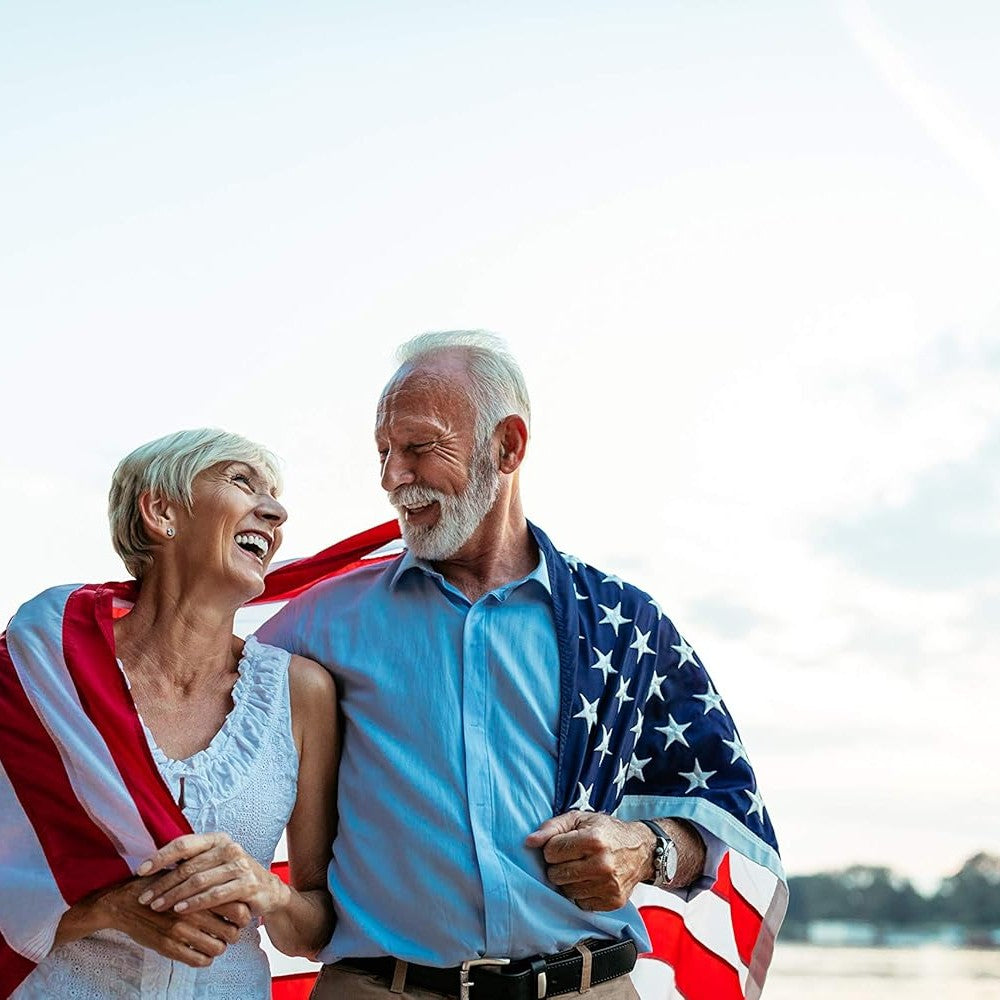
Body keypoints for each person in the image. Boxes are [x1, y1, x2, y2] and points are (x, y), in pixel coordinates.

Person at [256, 331, 785, 1000]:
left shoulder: (624, 626)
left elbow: (721, 815)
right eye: (384, 453)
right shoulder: (316, 623)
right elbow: (177, 691)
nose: (393, 477)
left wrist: (644, 847)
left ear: (508, 446)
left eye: (418, 447)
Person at [0, 429, 339, 999]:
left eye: (275, 496)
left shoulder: (300, 693)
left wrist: (267, 889)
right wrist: (113, 908)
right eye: (241, 481)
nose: (277, 512)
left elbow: (317, 927)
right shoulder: (41, 676)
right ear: (161, 511)